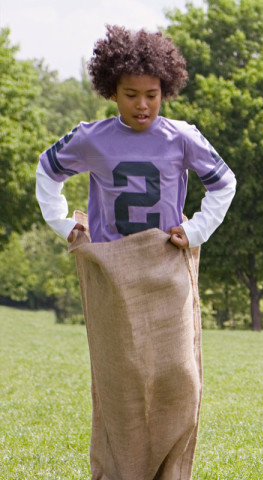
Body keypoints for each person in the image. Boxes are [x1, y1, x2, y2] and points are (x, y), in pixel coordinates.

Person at [34, 25, 236, 479]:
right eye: (130, 94)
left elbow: (224, 183)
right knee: (120, 380)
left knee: (178, 375)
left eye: (151, 94)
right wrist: (65, 224)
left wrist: (197, 228)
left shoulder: (182, 137)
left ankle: (170, 469)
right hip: (113, 266)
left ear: (166, 89)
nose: (142, 105)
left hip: (166, 263)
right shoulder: (91, 137)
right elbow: (47, 173)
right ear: (112, 91)